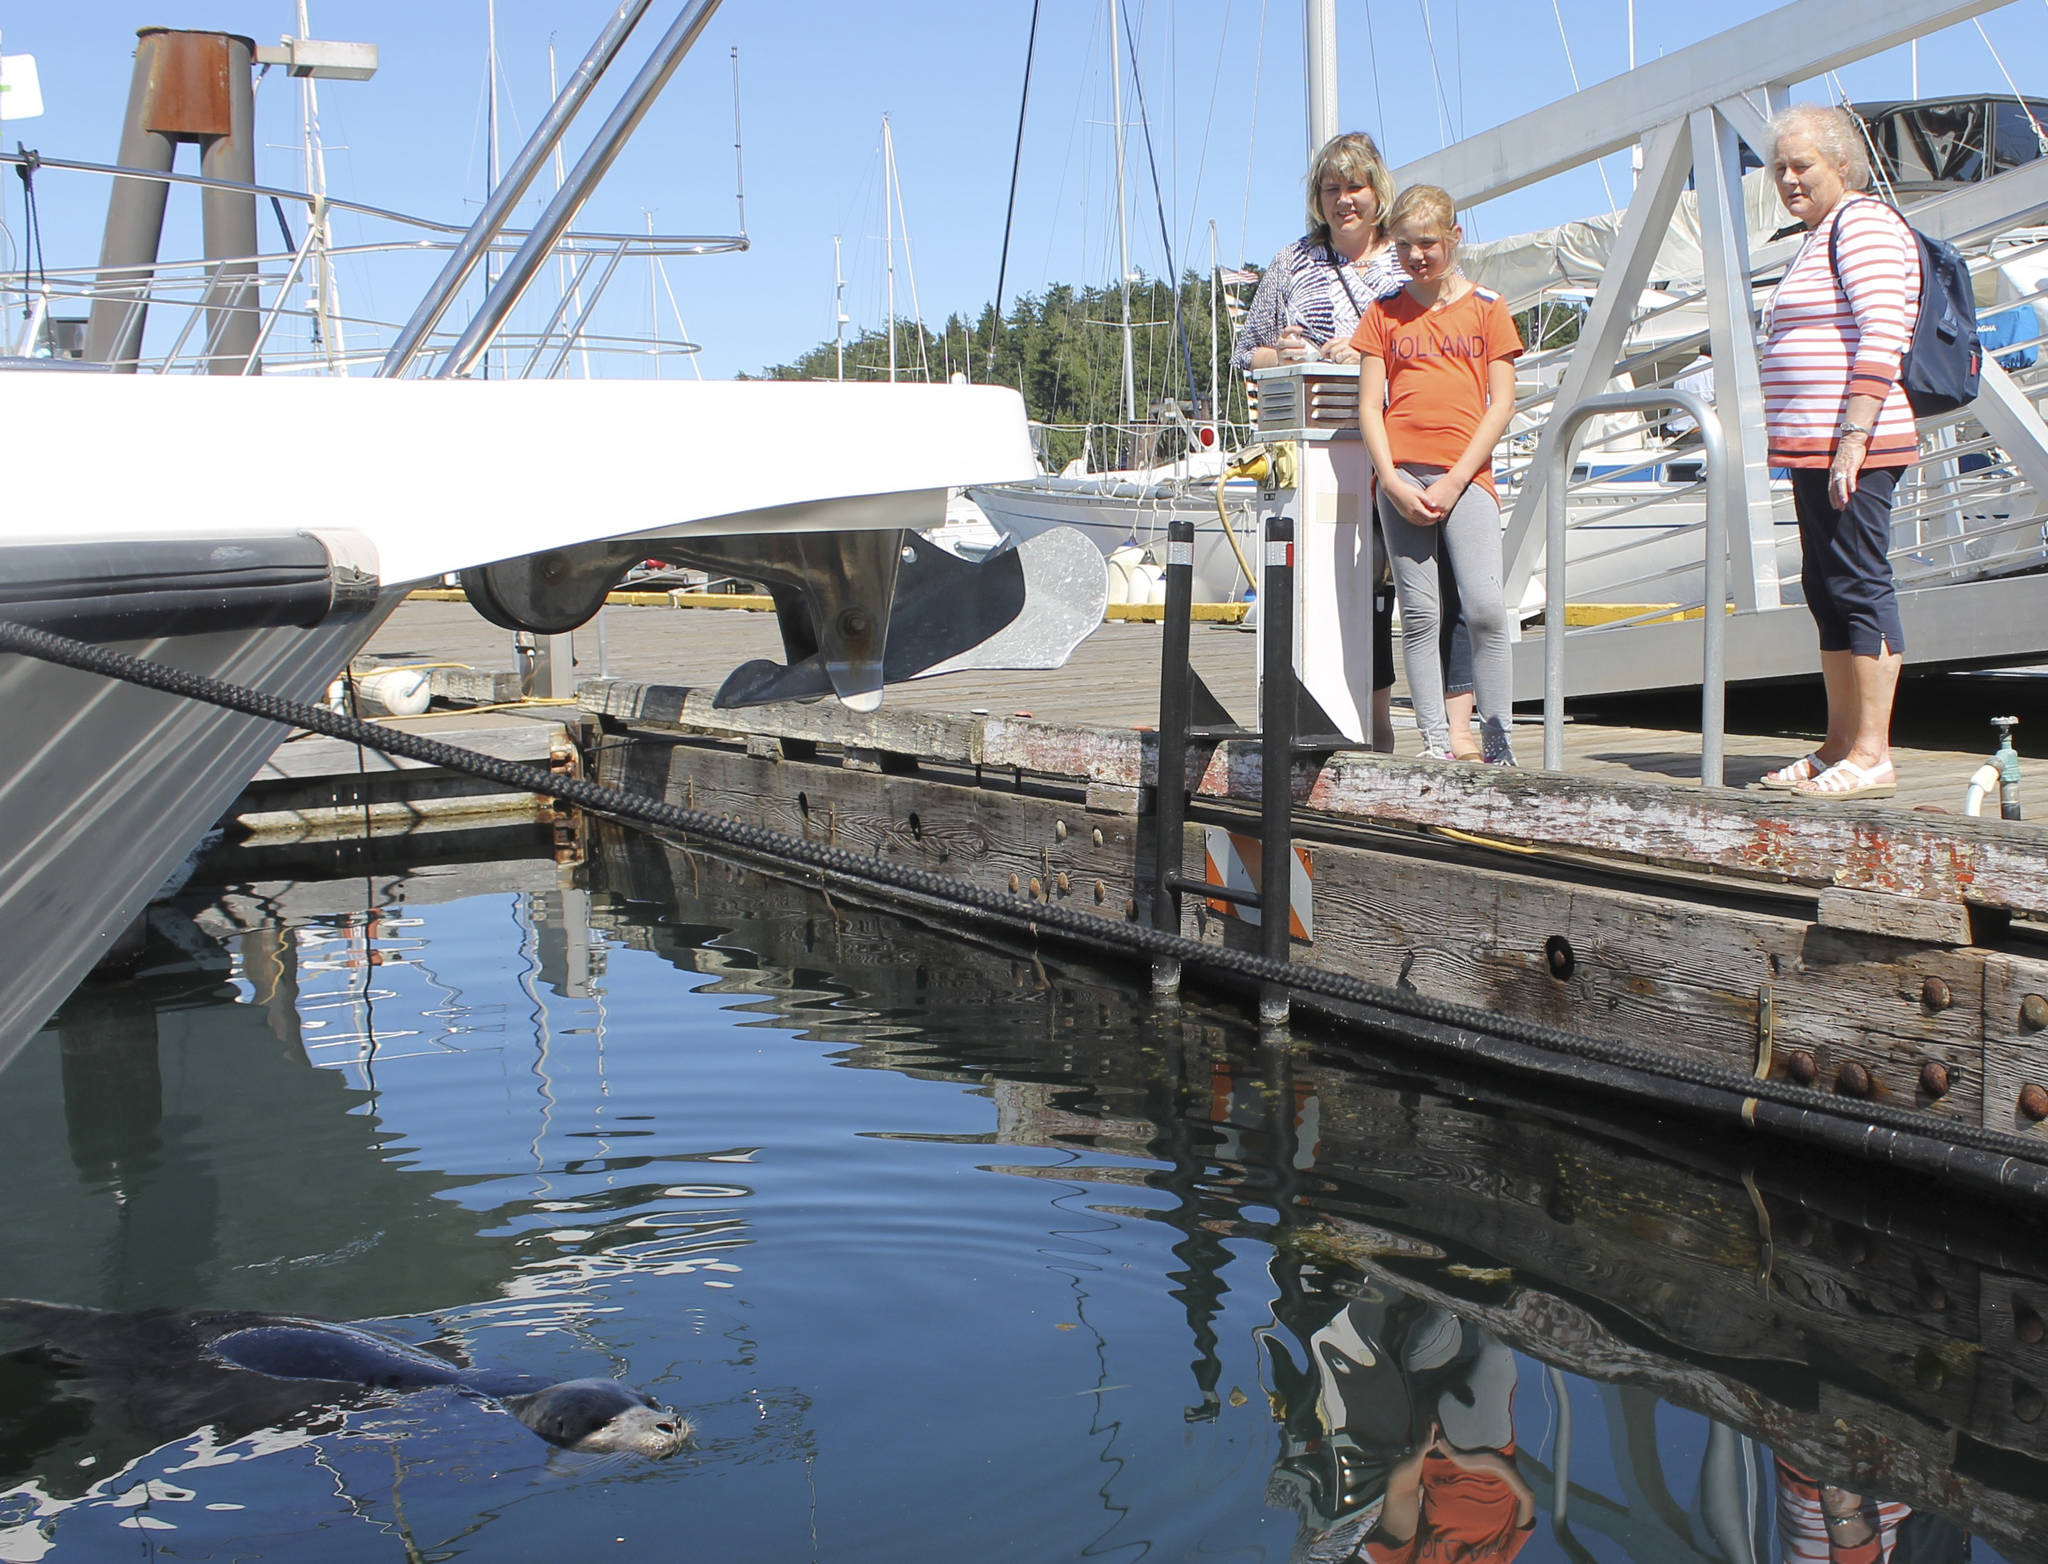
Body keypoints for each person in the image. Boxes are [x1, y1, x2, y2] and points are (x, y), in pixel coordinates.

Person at [1231, 134, 1478, 758]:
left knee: (1441, 583)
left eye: (1356, 186)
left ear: (1378, 192)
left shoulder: (1407, 258)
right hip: (1328, 457)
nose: (1344, 200)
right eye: (1332, 188)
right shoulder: (1291, 263)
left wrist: (1369, 350)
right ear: (1318, 197)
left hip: (1412, 442)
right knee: (1354, 581)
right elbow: (1245, 353)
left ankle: (1458, 727)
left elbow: (1454, 329)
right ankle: (1373, 719)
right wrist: (1285, 353)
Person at [1756, 103, 1919, 799]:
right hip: (1811, 447)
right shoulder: (1818, 234)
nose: (1789, 179)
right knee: (1826, 589)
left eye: (1803, 165)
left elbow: (1885, 329)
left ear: (1842, 166)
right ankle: (1838, 744)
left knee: (1859, 584)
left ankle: (1874, 752)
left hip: (1855, 442)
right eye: (1780, 168)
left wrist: (1855, 433)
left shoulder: (1865, 223)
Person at [1354, 185, 1522, 765]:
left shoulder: (1488, 308)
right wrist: (1391, 481)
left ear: (1454, 236)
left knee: (1483, 607)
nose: (1417, 255)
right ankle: (1434, 742)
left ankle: (1498, 743)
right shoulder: (1383, 314)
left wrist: (1454, 480)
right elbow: (1370, 407)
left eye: (1428, 242)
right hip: (1401, 478)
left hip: (1466, 477)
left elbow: (1500, 404)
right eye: (1404, 245)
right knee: (1420, 613)